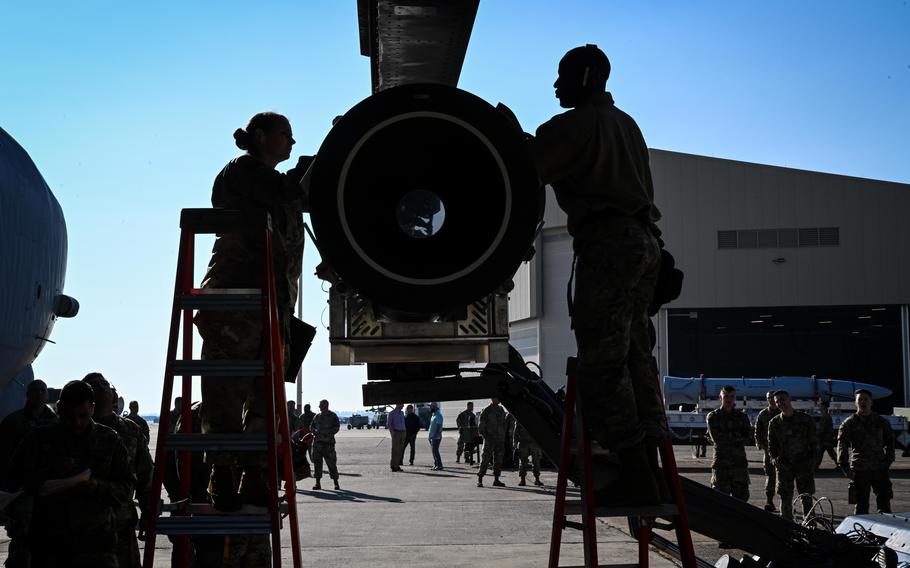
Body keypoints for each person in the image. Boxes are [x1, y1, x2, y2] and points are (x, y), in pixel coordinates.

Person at [529, 44, 666, 505]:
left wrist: (511, 136)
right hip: (645, 245)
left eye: (562, 76)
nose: (555, 86)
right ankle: (651, 461)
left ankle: (635, 475)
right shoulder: (628, 125)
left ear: (586, 78)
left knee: (603, 363)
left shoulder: (572, 127)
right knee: (635, 357)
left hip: (607, 247)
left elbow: (526, 169)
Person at [195, 111, 311, 512]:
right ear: (260, 137)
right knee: (226, 388)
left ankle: (256, 474)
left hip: (273, 304)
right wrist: (314, 172)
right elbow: (283, 191)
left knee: (267, 395)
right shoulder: (244, 171)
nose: (292, 143)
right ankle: (222, 474)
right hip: (237, 297)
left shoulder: (278, 188)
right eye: (285, 135)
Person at [7, 380, 133, 568]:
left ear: (92, 408)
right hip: (48, 548)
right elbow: (11, 481)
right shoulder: (38, 439)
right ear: (59, 408)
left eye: (83, 415)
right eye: (69, 416)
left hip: (96, 548)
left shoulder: (109, 440)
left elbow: (127, 488)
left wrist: (97, 487)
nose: (77, 422)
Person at [82, 373, 153, 568]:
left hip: (120, 526)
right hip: (81, 530)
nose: (102, 387)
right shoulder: (74, 430)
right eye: (95, 385)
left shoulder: (130, 430)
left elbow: (146, 475)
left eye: (105, 384)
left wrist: (148, 511)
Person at [0, 379, 57, 567]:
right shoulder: (13, 422)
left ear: (47, 395)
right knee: (21, 546)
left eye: (43, 390)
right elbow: (4, 459)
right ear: (28, 394)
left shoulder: (56, 423)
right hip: (22, 494)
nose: (40, 393)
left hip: (49, 494)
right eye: (36, 390)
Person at [837, 389, 894, 514]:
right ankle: (860, 532)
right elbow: (842, 446)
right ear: (855, 403)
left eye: (866, 399)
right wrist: (845, 467)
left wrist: (888, 460)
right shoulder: (849, 423)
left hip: (879, 468)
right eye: (860, 399)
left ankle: (885, 531)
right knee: (861, 505)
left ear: (871, 402)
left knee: (884, 504)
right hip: (859, 469)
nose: (863, 401)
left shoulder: (881, 422)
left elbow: (891, 442)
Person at [768, 390, 817, 521]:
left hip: (803, 465)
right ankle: (786, 527)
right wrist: (776, 461)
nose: (780, 403)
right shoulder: (774, 423)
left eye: (782, 399)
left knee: (806, 497)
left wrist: (811, 462)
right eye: (777, 401)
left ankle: (810, 526)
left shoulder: (805, 420)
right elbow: (771, 446)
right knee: (785, 498)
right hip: (785, 467)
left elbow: (814, 443)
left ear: (790, 399)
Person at [705, 385, 751, 501]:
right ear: (720, 398)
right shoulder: (713, 417)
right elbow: (717, 440)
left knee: (742, 500)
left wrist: (727, 436)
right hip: (721, 464)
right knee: (720, 500)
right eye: (726, 396)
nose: (729, 399)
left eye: (732, 396)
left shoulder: (742, 416)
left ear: (735, 398)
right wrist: (736, 436)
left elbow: (748, 438)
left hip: (739, 464)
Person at [754, 391, 781, 512]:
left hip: (783, 451)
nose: (770, 400)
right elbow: (757, 431)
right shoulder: (763, 414)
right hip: (769, 451)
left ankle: (785, 503)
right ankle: (769, 501)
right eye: (768, 398)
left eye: (772, 398)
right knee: (770, 476)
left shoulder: (783, 412)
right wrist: (760, 444)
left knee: (784, 477)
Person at [311, 399, 340, 490]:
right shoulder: (317, 416)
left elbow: (337, 427)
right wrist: (314, 431)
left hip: (328, 444)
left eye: (321, 405)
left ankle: (336, 483)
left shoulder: (332, 416)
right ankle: (317, 483)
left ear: (326, 406)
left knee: (331, 464)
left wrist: (329, 433)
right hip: (318, 444)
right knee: (317, 464)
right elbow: (312, 426)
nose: (319, 407)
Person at [477, 397, 507, 487]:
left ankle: (496, 479)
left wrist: (503, 435)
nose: (499, 400)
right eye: (497, 398)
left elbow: (504, 424)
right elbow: (481, 426)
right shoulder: (487, 410)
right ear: (493, 399)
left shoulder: (501, 409)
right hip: (489, 439)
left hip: (499, 439)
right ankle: (480, 479)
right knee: (485, 459)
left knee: (498, 459)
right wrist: (486, 436)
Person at [513, 420, 544, 486]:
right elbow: (516, 431)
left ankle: (537, 479)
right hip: (523, 443)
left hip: (535, 443)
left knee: (536, 461)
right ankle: (522, 479)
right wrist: (515, 442)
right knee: (523, 462)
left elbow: (542, 430)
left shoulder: (537, 418)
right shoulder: (520, 418)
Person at [815, 400, 837, 469]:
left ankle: (841, 464)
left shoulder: (825, 417)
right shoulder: (826, 416)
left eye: (820, 406)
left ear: (823, 407)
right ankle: (816, 465)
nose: (819, 407)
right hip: (825, 438)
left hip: (826, 438)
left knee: (829, 453)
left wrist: (816, 434)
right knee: (821, 452)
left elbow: (822, 429)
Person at [387, 403, 406, 471]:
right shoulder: (392, 413)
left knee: (400, 450)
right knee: (395, 450)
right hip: (396, 432)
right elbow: (389, 424)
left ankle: (397, 465)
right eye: (402, 404)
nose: (403, 406)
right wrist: (393, 433)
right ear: (398, 404)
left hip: (403, 432)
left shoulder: (402, 413)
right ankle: (393, 465)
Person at [428, 403, 444, 470]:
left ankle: (439, 465)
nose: (430, 408)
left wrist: (434, 435)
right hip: (432, 436)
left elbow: (438, 426)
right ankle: (436, 464)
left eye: (431, 407)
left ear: (434, 407)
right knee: (434, 451)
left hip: (436, 436)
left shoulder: (438, 415)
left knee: (435, 451)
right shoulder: (433, 415)